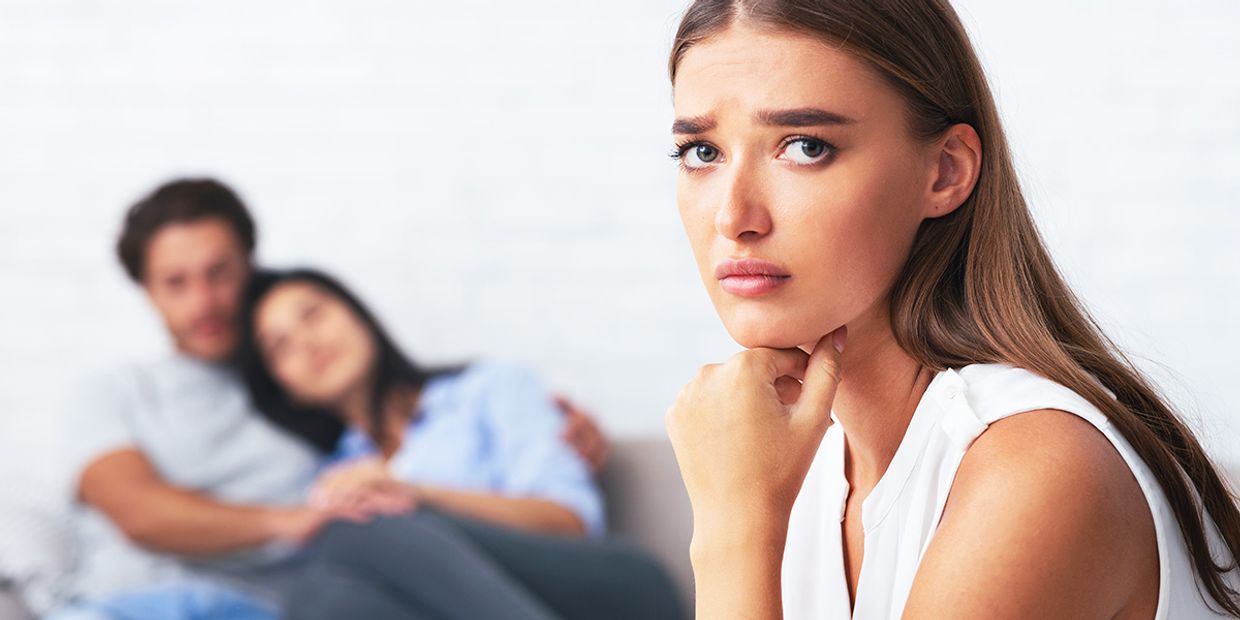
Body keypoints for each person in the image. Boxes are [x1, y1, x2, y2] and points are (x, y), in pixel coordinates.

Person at [660, 1, 1240, 619]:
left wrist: (733, 529)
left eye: (805, 147)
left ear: (945, 171)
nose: (734, 218)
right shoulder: (807, 459)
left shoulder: (1040, 468)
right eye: (702, 153)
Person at [52, 178, 625, 619]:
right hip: (166, 601)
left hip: (583, 580)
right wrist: (297, 521)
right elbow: (138, 511)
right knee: (331, 593)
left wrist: (573, 443)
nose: (204, 301)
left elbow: (564, 519)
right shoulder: (321, 445)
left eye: (219, 273)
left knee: (352, 540)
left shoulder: (472, 392)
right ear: (147, 292)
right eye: (176, 283)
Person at [230, 268, 685, 619]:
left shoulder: (490, 388)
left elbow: (568, 523)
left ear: (354, 311)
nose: (308, 343)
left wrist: (416, 495)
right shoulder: (337, 475)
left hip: (607, 589)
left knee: (357, 526)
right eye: (281, 347)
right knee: (324, 599)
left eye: (313, 314)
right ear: (282, 386)